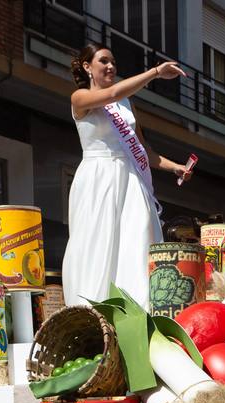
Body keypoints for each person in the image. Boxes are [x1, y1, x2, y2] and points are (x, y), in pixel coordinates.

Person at [61, 43, 193, 309]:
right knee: (97, 244)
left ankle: (139, 308)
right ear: (87, 67)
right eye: (104, 61)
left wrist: (176, 167)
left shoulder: (125, 103)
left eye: (113, 62)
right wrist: (155, 72)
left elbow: (145, 152)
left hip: (130, 180)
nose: (111, 66)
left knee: (138, 238)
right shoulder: (80, 98)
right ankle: (92, 310)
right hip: (98, 180)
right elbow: (110, 93)